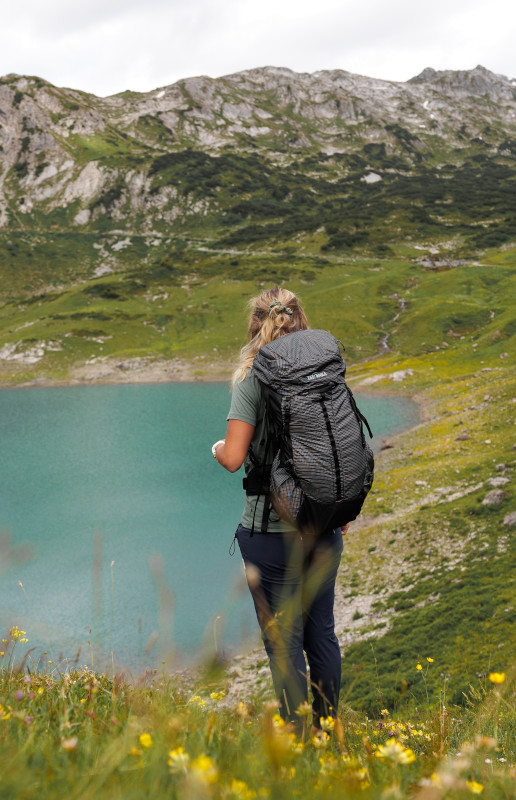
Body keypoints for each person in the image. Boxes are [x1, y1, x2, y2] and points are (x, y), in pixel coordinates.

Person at [211, 287, 344, 736]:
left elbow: (233, 458)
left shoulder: (251, 376)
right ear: (301, 319)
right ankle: (328, 734)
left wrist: (216, 448)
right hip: (322, 526)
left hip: (269, 534)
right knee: (321, 633)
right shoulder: (324, 371)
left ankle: (302, 742)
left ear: (254, 324)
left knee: (284, 645)